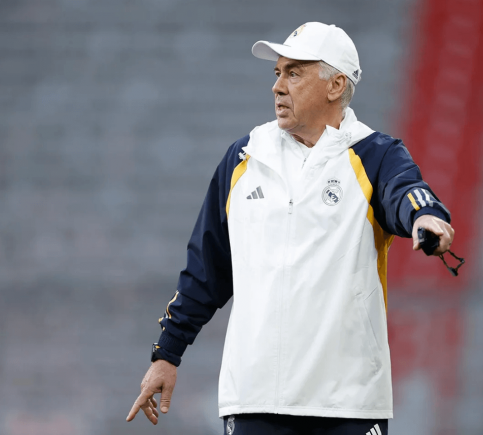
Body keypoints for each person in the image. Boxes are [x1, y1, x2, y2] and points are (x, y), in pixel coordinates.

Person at [126, 22, 455, 435]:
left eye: (293, 73)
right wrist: (166, 355)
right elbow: (205, 270)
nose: (277, 87)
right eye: (277, 73)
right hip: (255, 399)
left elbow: (407, 192)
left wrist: (425, 217)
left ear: (336, 85)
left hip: (349, 403)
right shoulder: (244, 156)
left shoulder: (375, 154)